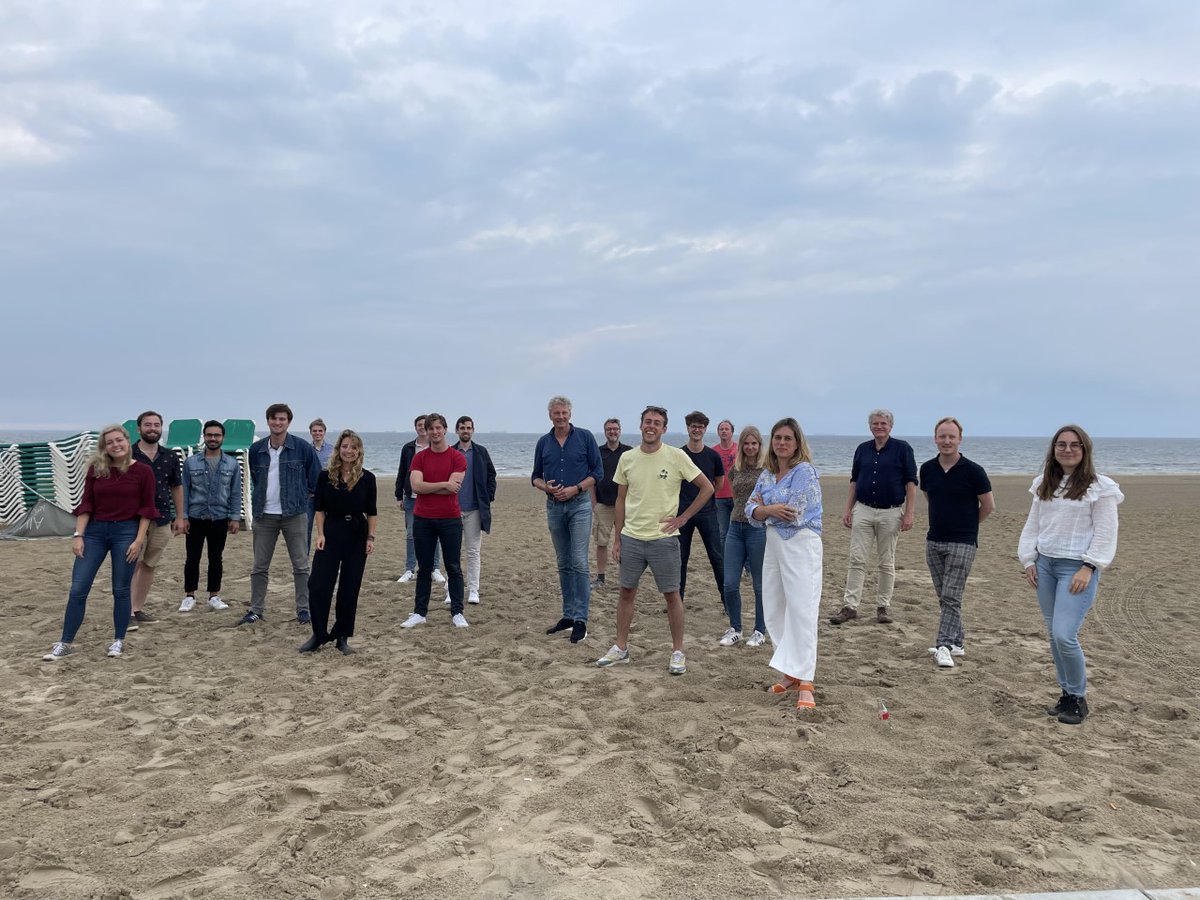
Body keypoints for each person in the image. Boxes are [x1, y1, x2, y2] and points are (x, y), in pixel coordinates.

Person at [596, 406, 713, 675]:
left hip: (664, 539)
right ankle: (621, 648)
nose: (651, 426)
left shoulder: (676, 456)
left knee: (672, 595)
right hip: (632, 538)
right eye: (647, 422)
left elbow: (707, 488)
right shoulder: (628, 458)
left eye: (657, 423)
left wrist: (683, 518)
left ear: (664, 428)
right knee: (626, 593)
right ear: (640, 426)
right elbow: (621, 499)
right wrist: (618, 538)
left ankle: (677, 652)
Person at [1018, 425, 1122, 726]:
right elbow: (1033, 525)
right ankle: (1065, 694)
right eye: (1061, 444)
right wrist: (1028, 560)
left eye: (1075, 445)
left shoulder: (1100, 487)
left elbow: (1105, 533)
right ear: (1053, 449)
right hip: (1045, 565)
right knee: (1053, 635)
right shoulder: (1044, 484)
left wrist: (1090, 566)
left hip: (1076, 569)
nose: (1067, 449)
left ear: (1085, 449)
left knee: (1065, 634)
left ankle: (1078, 697)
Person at [42, 424, 158, 661]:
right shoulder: (97, 469)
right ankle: (65, 642)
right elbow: (86, 504)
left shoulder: (144, 471)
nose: (116, 445)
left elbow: (146, 510)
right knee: (78, 588)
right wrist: (78, 536)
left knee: (120, 588)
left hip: (126, 532)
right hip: (94, 531)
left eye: (119, 440)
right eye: (110, 442)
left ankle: (118, 640)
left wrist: (138, 541)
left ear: (128, 441)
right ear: (104, 447)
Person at [747, 418, 824, 710]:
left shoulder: (805, 472)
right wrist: (768, 510)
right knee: (775, 606)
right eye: (777, 437)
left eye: (787, 438)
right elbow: (748, 507)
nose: (781, 443)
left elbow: (794, 512)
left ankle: (806, 679)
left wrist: (762, 510)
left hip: (801, 544)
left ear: (797, 442)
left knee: (802, 609)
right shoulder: (767, 475)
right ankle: (791, 671)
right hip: (774, 546)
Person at [919, 417, 995, 669]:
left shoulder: (974, 471)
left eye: (951, 436)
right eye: (942, 436)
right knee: (945, 596)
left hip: (963, 543)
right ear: (935, 438)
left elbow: (988, 506)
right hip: (934, 541)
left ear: (960, 439)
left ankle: (944, 645)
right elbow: (931, 498)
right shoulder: (927, 469)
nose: (947, 441)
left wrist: (969, 527)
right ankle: (958, 642)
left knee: (952, 596)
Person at [829, 409, 917, 626]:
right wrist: (847, 510)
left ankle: (883, 607)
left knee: (886, 562)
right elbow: (854, 481)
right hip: (864, 510)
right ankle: (850, 607)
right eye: (875, 423)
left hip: (892, 511)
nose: (879, 427)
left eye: (883, 423)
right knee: (856, 559)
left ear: (891, 426)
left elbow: (911, 482)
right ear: (870, 426)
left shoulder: (902, 449)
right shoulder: (862, 450)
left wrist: (909, 513)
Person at [532, 396, 603, 644]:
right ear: (550, 415)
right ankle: (568, 615)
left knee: (579, 563)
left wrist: (576, 489)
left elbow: (598, 472)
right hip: (554, 507)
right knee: (563, 563)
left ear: (570, 413)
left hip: (580, 506)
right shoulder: (544, 442)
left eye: (564, 413)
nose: (560, 417)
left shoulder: (584, 437)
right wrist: (546, 488)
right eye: (556, 413)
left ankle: (581, 620)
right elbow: (535, 477)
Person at [244, 403, 322, 625]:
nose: (277, 423)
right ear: (268, 421)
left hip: (295, 514)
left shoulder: (302, 449)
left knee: (301, 565)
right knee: (259, 566)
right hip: (264, 515)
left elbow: (315, 481)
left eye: (282, 419)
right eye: (273, 419)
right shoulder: (256, 450)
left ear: (288, 422)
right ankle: (256, 610)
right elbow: (257, 480)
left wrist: (300, 499)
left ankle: (304, 610)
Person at [300, 430, 377, 655]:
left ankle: (342, 637)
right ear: (338, 449)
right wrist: (320, 534)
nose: (349, 451)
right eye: (345, 446)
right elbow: (319, 509)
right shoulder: (326, 476)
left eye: (353, 447)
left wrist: (370, 537)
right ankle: (318, 634)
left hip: (356, 534)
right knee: (318, 585)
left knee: (349, 587)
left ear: (359, 451)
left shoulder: (368, 478)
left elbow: (372, 512)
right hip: (331, 532)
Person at [401, 414, 469, 628]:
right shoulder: (419, 458)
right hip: (423, 519)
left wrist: (432, 486)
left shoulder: (457, 457)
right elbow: (416, 487)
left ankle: (457, 612)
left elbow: (454, 487)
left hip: (450, 519)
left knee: (453, 567)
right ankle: (420, 613)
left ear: (445, 429)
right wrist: (443, 485)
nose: (435, 432)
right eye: (431, 429)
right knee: (424, 568)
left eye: (438, 428)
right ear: (427, 432)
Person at [128, 411, 187, 630]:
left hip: (162, 517)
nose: (152, 428)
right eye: (147, 425)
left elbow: (176, 487)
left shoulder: (170, 456)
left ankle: (137, 608)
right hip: (132, 519)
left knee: (149, 565)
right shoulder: (128, 453)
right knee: (130, 565)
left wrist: (180, 517)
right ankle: (125, 613)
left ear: (161, 428)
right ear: (139, 428)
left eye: (156, 425)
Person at [179, 420, 241, 612]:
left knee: (216, 557)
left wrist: (235, 517)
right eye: (209, 435)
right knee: (192, 557)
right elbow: (185, 491)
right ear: (204, 437)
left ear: (223, 438)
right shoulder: (191, 462)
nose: (213, 438)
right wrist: (184, 516)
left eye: (217, 435)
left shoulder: (231, 463)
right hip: (196, 517)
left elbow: (235, 492)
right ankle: (189, 596)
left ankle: (214, 595)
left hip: (220, 517)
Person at [720, 425, 768, 649]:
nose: (750, 447)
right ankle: (735, 628)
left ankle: (760, 630)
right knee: (730, 583)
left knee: (759, 584)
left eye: (754, 443)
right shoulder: (735, 469)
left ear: (759, 445)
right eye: (746, 443)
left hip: (757, 529)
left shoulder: (767, 469)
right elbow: (735, 496)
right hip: (735, 527)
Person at [447, 416, 497, 606]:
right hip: (452, 510)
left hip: (475, 510)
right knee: (452, 552)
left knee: (473, 551)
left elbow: (492, 475)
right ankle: (451, 591)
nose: (465, 431)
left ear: (473, 430)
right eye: (462, 428)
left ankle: (473, 589)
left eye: (468, 428)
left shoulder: (481, 452)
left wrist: (488, 496)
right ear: (457, 431)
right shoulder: (450, 452)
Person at [677, 411, 725, 601]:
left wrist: (705, 498)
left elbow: (718, 483)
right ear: (688, 428)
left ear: (705, 429)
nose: (696, 430)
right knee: (680, 559)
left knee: (717, 558)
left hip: (708, 513)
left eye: (700, 427)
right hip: (683, 514)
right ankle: (677, 600)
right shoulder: (679, 454)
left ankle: (725, 600)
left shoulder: (713, 456)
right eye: (693, 426)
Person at [395, 415, 444, 585]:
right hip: (411, 497)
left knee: (435, 534)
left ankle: (435, 569)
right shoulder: (408, 448)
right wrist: (398, 495)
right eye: (419, 425)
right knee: (411, 535)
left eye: (425, 425)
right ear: (415, 427)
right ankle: (409, 569)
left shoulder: (436, 447)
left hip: (432, 497)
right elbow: (402, 472)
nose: (422, 428)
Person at [590, 418, 631, 590]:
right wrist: (594, 503)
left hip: (627, 505)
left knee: (627, 542)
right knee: (601, 542)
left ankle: (627, 577)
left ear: (620, 431)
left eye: (615, 429)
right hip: (603, 504)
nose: (612, 432)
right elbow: (591, 479)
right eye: (609, 429)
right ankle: (600, 577)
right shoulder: (597, 452)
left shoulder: (628, 452)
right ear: (605, 431)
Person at [307, 418, 334, 550]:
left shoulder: (332, 450)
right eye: (314, 431)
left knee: (329, 529)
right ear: (311, 432)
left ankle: (328, 555)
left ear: (324, 432)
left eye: (320, 431)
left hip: (327, 495)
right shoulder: (306, 449)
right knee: (305, 530)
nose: (317, 433)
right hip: (310, 495)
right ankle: (303, 561)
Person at [712, 419, 737, 549]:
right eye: (721, 429)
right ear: (718, 432)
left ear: (732, 432)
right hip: (719, 497)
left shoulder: (739, 449)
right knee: (723, 532)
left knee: (741, 530)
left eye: (727, 429)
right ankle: (724, 562)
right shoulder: (713, 451)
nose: (724, 431)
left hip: (737, 496)